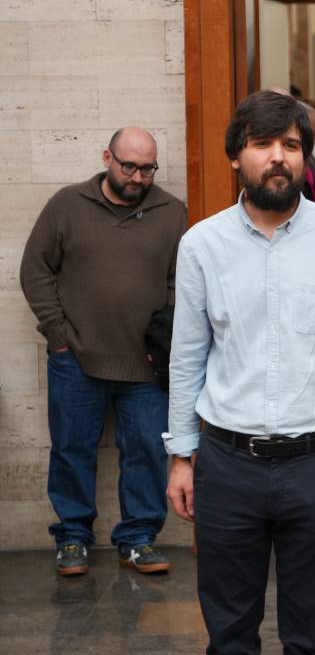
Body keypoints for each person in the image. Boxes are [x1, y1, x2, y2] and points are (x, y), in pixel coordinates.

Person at [164, 91, 315, 653]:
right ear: (235, 158)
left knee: (311, 634)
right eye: (262, 144)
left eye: (291, 145)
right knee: (229, 634)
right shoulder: (202, 244)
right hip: (226, 465)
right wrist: (180, 455)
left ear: (305, 155)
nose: (279, 157)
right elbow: (187, 355)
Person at [20, 128, 187, 576]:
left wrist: (164, 339)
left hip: (146, 364)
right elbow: (35, 269)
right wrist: (58, 335)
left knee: (148, 452)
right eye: (128, 165)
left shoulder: (171, 213)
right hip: (76, 357)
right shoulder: (67, 205)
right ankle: (72, 538)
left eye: (146, 168)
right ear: (107, 158)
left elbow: (181, 282)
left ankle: (138, 539)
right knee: (72, 449)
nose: (136, 176)